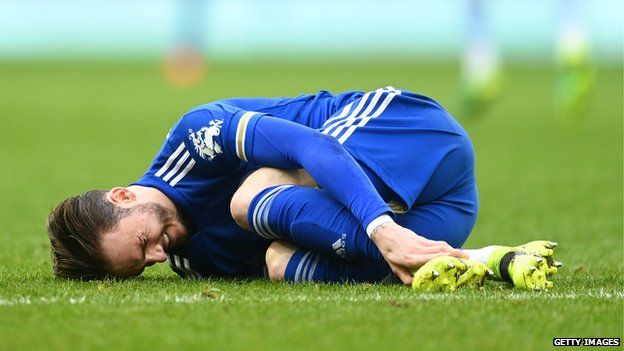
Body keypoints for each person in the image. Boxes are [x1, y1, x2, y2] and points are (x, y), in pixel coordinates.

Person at [47, 87, 560, 290]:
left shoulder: (196, 138)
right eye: (143, 266)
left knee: (251, 196)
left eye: (143, 245)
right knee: (280, 263)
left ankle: (403, 241)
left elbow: (315, 149)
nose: (158, 257)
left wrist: (381, 231)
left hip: (406, 132)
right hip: (441, 214)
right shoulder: (195, 259)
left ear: (122, 196)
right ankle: (487, 259)